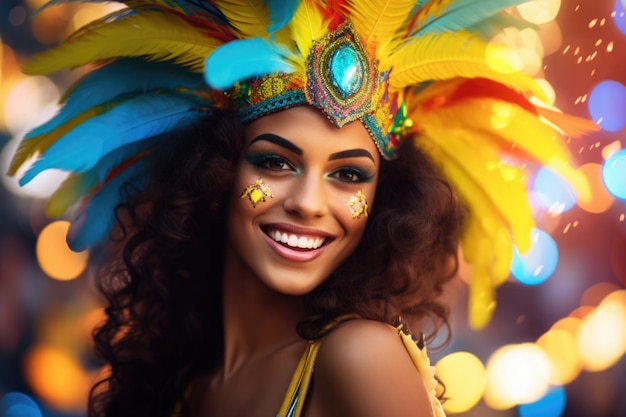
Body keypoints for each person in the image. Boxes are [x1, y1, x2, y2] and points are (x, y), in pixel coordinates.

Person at [8, 1, 596, 417]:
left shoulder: (358, 357)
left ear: (385, 202)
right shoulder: (185, 375)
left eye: (348, 175)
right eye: (275, 163)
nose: (310, 203)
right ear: (212, 173)